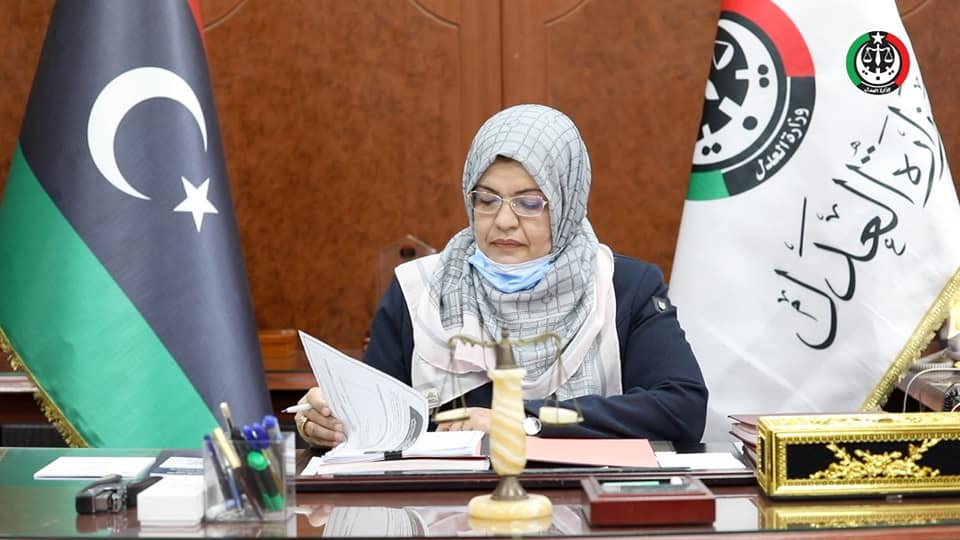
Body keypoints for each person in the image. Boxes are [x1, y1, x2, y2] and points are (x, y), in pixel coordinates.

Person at [296, 104, 707, 447]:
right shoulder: (418, 291)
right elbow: (375, 419)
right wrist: (330, 424)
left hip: (586, 502)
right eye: (487, 199)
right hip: (444, 508)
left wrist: (522, 421)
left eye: (529, 202)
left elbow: (681, 409)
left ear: (566, 201)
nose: (504, 221)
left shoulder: (623, 286)